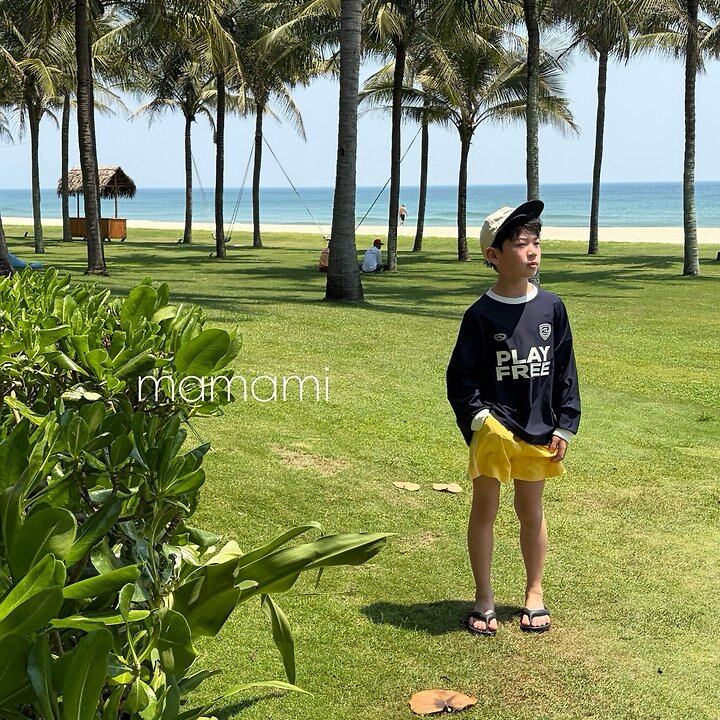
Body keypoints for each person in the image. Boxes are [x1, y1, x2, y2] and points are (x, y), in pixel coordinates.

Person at [446, 200, 581, 637]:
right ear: (494, 255)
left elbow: (565, 371)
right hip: (493, 430)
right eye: (521, 244)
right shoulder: (480, 315)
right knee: (484, 510)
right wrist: (480, 418)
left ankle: (534, 593)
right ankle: (484, 598)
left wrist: (565, 424)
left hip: (539, 429)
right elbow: (460, 378)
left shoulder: (552, 307)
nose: (532, 251)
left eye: (535, 242)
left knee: (531, 511)